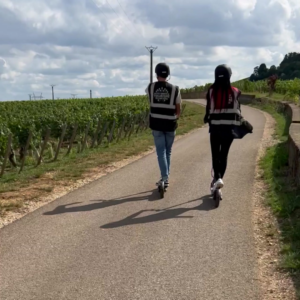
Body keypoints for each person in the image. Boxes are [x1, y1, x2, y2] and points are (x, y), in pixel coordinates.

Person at [203, 64, 242, 196]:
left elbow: (208, 110)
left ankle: (217, 178)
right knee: (224, 155)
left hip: (215, 128)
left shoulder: (211, 91)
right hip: (229, 128)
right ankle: (219, 180)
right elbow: (238, 109)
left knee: (215, 154)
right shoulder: (235, 91)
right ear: (229, 76)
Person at [145, 62, 182, 189]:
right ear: (168, 74)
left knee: (160, 152)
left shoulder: (150, 88)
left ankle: (164, 178)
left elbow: (151, 102)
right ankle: (165, 177)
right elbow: (178, 110)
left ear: (156, 74)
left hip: (156, 124)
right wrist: (174, 118)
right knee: (168, 152)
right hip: (170, 124)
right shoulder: (175, 89)